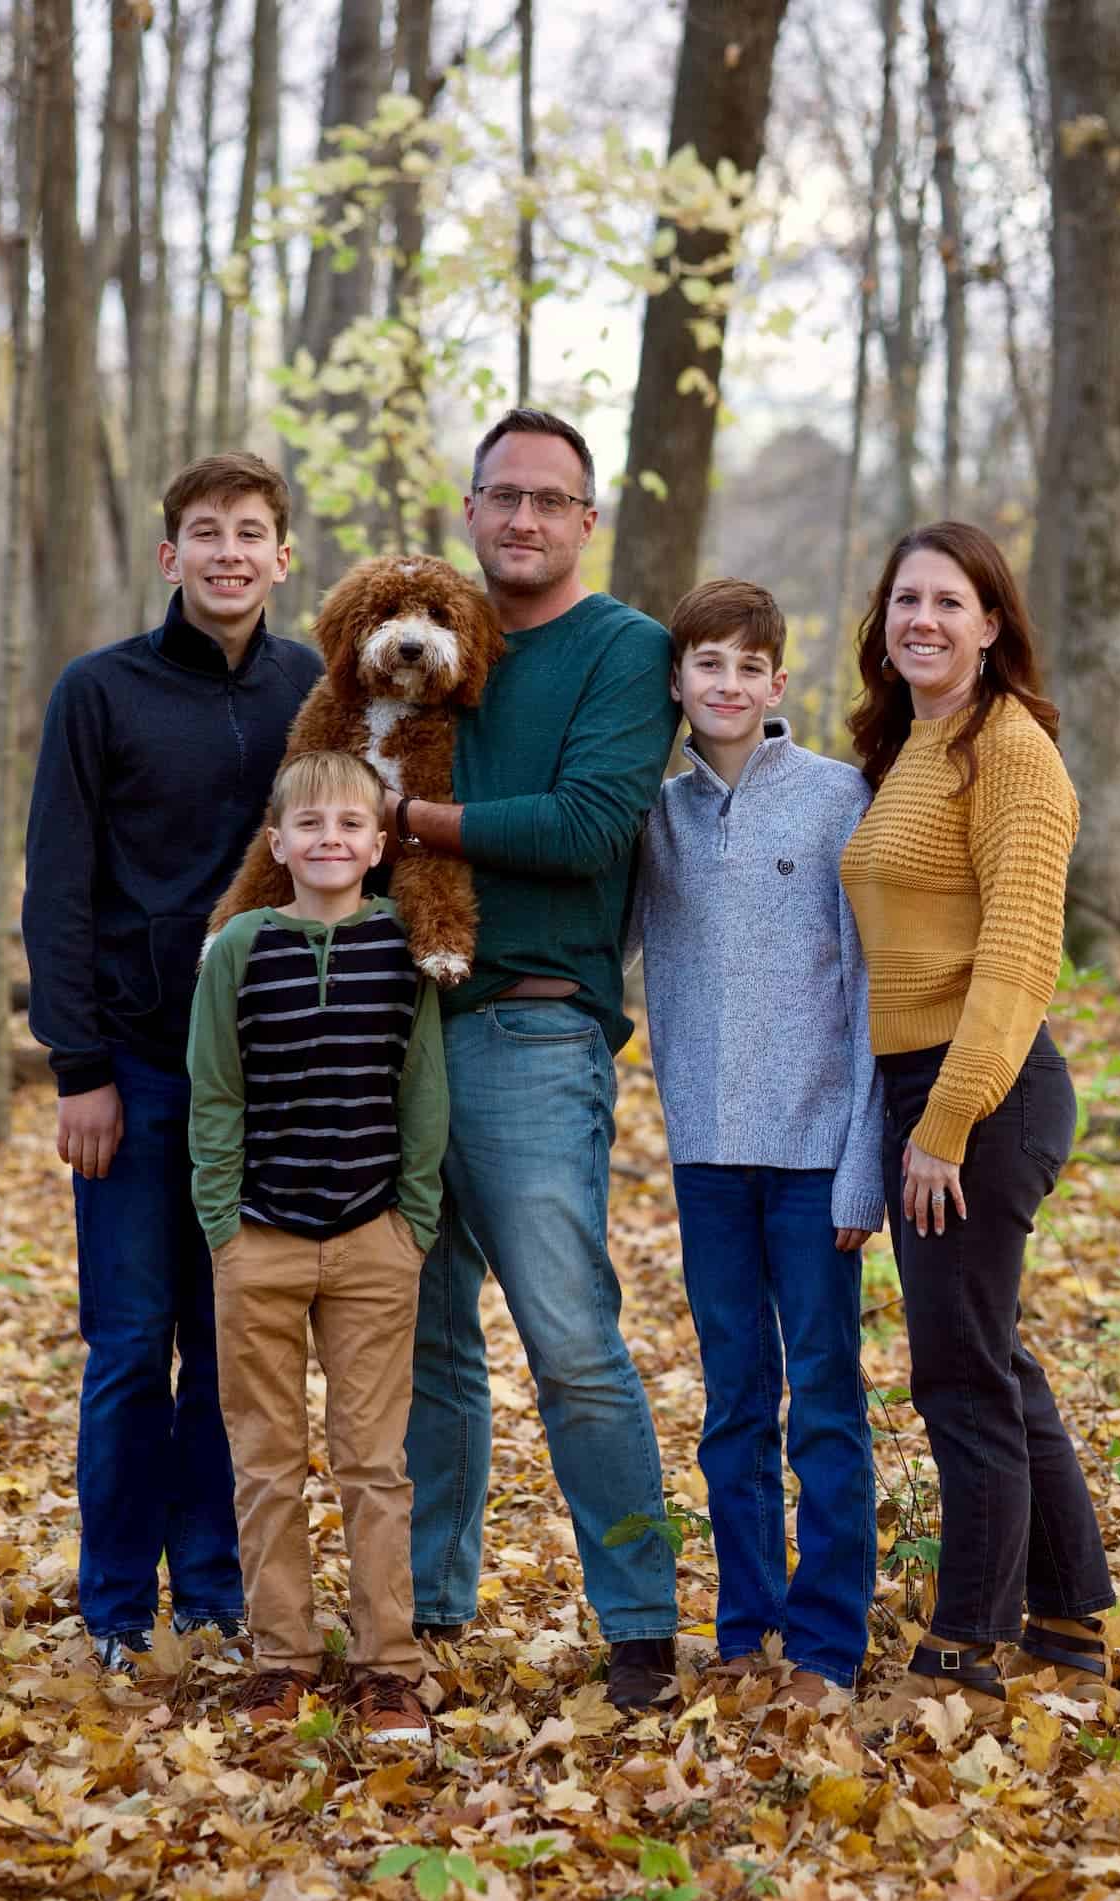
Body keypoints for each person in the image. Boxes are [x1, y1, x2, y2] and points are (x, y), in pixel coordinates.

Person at [379, 407, 682, 1710]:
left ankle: (640, 1621)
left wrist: (411, 823)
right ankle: (435, 1606)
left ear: (586, 521)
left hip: (534, 1031)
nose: (523, 519)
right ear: (469, 506)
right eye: (502, 495)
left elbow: (590, 824)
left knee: (569, 1334)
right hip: (397, 1025)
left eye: (549, 500)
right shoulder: (429, 636)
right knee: (426, 1335)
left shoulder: (626, 650)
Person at [22, 453, 324, 1672]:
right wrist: (76, 1067)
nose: (229, 553)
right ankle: (111, 1612)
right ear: (170, 556)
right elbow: (58, 890)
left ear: (282, 557)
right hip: (138, 1077)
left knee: (232, 1347)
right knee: (131, 1344)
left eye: (251, 532)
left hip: (265, 1082)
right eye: (206, 532)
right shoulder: (99, 692)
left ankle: (207, 1596)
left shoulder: (313, 689)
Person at [840, 521, 1115, 1723]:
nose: (923, 621)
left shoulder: (1008, 752)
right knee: (992, 1356)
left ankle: (962, 1644)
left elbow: (1014, 957)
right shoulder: (913, 743)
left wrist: (944, 1122)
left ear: (993, 623)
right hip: (927, 1087)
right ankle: (1067, 1619)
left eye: (949, 602)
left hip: (981, 1089)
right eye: (905, 600)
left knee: (956, 1374)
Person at [627, 578, 883, 1711]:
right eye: (705, 666)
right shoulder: (653, 814)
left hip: (816, 1155)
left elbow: (874, 986)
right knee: (733, 1401)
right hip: (706, 1158)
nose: (725, 685)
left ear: (777, 684)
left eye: (747, 667)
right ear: (675, 684)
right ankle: (745, 1623)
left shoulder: (838, 800)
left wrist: (864, 1159)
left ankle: (825, 1640)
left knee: (824, 1397)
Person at [187, 751, 446, 1738]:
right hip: (262, 1242)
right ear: (277, 844)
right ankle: (280, 1660)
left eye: (350, 824)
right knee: (266, 1459)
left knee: (373, 1463)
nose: (329, 839)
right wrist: (226, 1227)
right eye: (309, 825)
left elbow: (421, 1092)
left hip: (373, 1240)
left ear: (379, 846)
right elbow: (216, 1092)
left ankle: (388, 1666)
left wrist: (411, 1221)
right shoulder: (241, 946)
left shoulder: (403, 944)